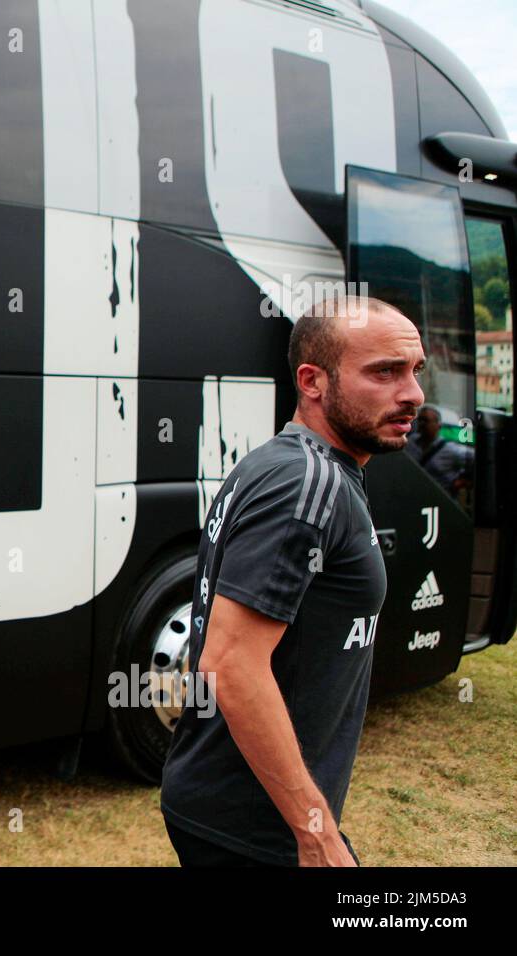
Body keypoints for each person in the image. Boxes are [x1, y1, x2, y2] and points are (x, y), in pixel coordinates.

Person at [161, 295, 423, 866]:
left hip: (234, 809)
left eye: (414, 371)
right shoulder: (306, 483)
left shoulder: (291, 465)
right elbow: (231, 664)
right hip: (254, 826)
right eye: (384, 372)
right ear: (313, 381)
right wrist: (316, 834)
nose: (412, 394)